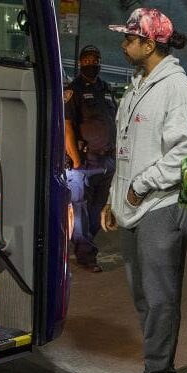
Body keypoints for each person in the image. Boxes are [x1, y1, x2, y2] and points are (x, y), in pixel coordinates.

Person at [103, 7, 187, 373]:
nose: (123, 44)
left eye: (130, 38)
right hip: (132, 203)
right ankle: (155, 365)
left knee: (160, 298)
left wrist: (139, 186)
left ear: (149, 43)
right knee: (142, 294)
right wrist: (114, 196)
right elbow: (126, 147)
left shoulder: (179, 89)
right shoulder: (137, 85)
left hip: (162, 204)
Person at [64, 45, 116, 272]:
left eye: (95, 59)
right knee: (80, 209)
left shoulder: (105, 88)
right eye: (86, 59)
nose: (91, 63)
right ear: (80, 62)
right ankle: (86, 255)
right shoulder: (73, 90)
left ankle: (85, 243)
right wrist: (75, 160)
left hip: (106, 161)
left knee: (96, 210)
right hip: (83, 162)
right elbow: (67, 127)